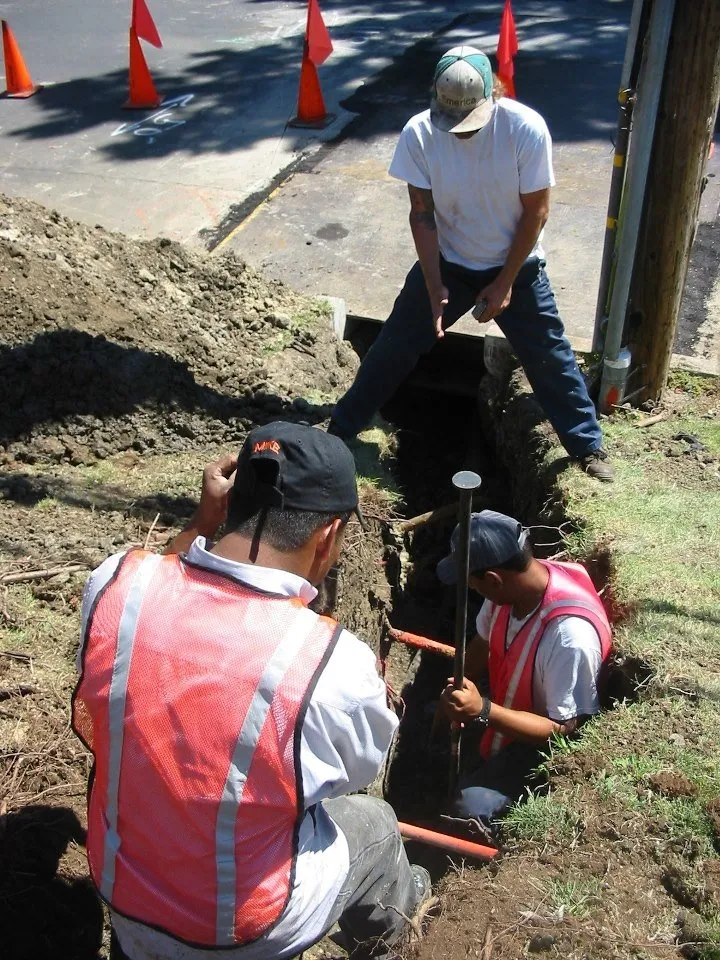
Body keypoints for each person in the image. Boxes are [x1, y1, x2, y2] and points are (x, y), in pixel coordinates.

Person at [73, 421, 430, 960]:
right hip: (241, 928)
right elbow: (352, 776)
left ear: (227, 502)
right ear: (329, 535)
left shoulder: (117, 584)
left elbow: (159, 575)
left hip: (124, 896)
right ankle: (401, 936)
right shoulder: (333, 665)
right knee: (376, 824)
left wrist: (200, 522)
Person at [329, 46, 613, 483]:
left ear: (492, 96)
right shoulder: (419, 134)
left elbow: (536, 212)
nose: (459, 132)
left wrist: (504, 282)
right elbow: (421, 214)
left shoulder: (524, 129)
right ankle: (342, 428)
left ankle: (586, 446)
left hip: (517, 266)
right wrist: (433, 280)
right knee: (394, 346)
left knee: (550, 357)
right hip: (449, 262)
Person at [435, 510, 612, 830]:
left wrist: (483, 709)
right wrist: (451, 696)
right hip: (513, 709)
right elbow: (481, 644)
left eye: (474, 585)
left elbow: (564, 730)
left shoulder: (570, 637)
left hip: (544, 745)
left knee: (466, 807)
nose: (475, 592)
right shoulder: (512, 591)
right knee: (432, 726)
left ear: (492, 580)